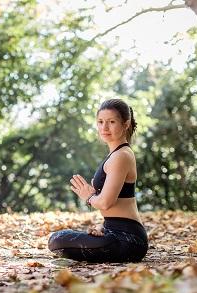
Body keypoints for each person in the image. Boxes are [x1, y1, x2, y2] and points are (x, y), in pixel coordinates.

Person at [48, 99, 148, 263]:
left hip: (128, 239)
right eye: (100, 122)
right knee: (58, 238)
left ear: (126, 124)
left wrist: (89, 196)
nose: (104, 127)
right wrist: (102, 229)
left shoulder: (121, 156)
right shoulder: (115, 154)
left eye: (111, 122)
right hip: (114, 233)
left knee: (58, 239)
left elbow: (105, 203)